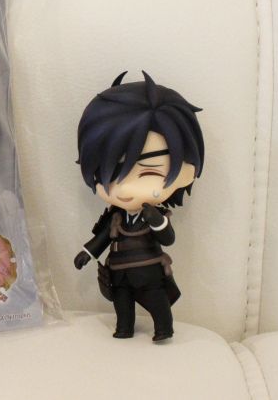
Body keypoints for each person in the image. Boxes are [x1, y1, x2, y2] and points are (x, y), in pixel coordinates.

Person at [73, 71, 204, 342]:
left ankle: (163, 328)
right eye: (110, 176)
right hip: (119, 274)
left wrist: (157, 220)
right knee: (122, 306)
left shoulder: (154, 214)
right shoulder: (115, 217)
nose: (124, 190)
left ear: (185, 173)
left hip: (149, 272)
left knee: (157, 303)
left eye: (147, 173)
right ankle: (124, 328)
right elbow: (101, 239)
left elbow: (168, 238)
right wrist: (87, 253)